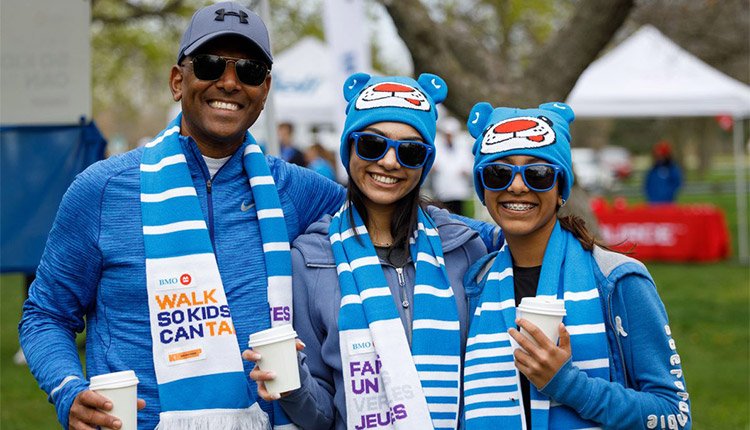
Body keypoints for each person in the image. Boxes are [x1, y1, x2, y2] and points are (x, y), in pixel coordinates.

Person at [19, 3, 345, 429]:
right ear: (178, 80)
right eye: (210, 65)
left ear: (265, 91)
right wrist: (68, 389)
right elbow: (46, 314)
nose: (229, 82)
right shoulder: (100, 190)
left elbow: (390, 214)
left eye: (248, 71)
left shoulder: (302, 191)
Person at [245, 73, 488, 430]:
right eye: (372, 145)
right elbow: (322, 416)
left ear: (425, 163)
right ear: (348, 149)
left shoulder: (464, 248)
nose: (390, 162)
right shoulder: (310, 259)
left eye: (410, 151)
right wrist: (292, 384)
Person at [461, 102, 691, 429]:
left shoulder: (617, 280)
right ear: (483, 189)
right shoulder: (474, 283)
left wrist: (569, 385)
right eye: (498, 173)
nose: (516, 186)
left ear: (561, 190)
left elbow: (675, 414)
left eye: (538, 174)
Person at [431, 116, 473, 215]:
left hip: (459, 189)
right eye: (447, 135)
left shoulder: (463, 145)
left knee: (459, 215)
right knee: (444, 214)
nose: (448, 137)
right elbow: (433, 163)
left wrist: (466, 171)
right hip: (442, 188)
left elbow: (470, 164)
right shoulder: (437, 145)